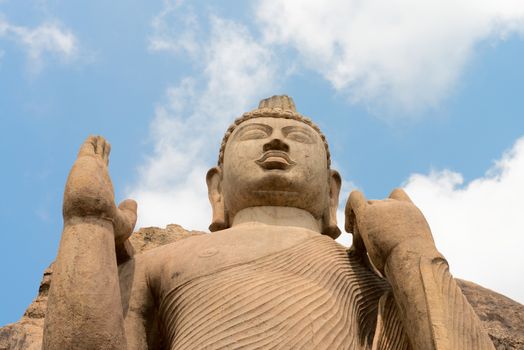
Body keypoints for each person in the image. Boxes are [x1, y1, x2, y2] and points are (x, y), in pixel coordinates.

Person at [43, 96, 494, 349]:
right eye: (255, 135)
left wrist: (408, 253)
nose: (276, 139)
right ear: (216, 188)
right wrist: (87, 224)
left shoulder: (366, 274)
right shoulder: (163, 262)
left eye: (297, 138)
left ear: (331, 192)